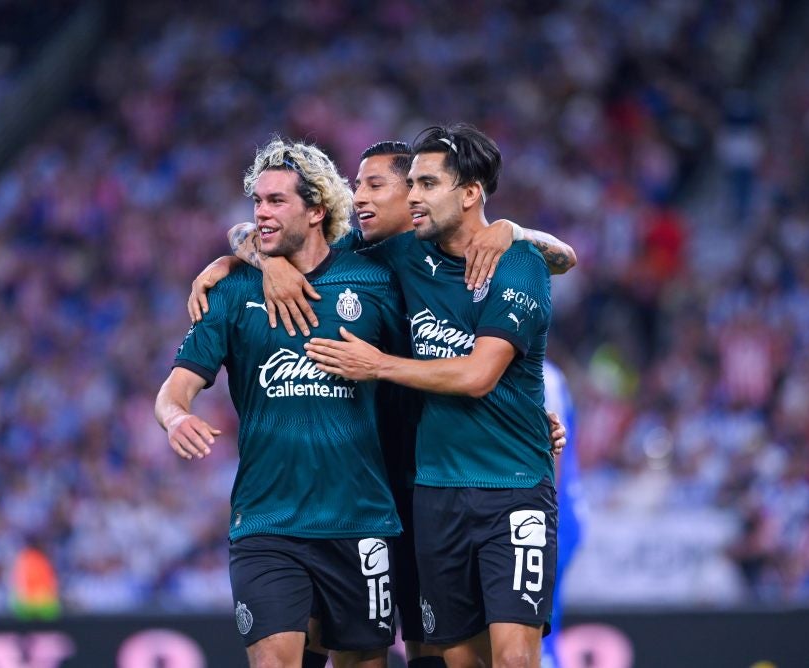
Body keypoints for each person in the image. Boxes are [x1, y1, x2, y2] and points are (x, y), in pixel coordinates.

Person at [188, 139, 575, 668]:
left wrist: (513, 229)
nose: (360, 198)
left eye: (378, 186)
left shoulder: (469, 254)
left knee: (437, 649)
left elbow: (562, 258)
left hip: (431, 481)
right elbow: (261, 230)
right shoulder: (362, 256)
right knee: (331, 639)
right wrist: (259, 259)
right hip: (372, 492)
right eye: (356, 186)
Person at [303, 123, 556, 668]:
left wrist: (378, 365)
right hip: (434, 492)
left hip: (511, 486)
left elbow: (479, 374)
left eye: (427, 184)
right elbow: (293, 240)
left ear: (469, 193)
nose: (413, 196)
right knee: (453, 659)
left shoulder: (517, 263)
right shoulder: (403, 254)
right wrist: (253, 260)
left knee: (514, 658)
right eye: (412, 184)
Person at [156, 137, 407, 668]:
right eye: (257, 202)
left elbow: (430, 360)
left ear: (316, 211)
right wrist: (176, 418)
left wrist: (520, 411)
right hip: (267, 522)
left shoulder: (374, 280)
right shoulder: (232, 291)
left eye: (276, 201)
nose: (261, 213)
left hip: (359, 519)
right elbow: (175, 390)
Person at [541, 360, 583, 668]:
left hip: (554, 515)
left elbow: (555, 447)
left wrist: (545, 514)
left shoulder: (544, 376)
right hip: (556, 513)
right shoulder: (550, 373)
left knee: (535, 623)